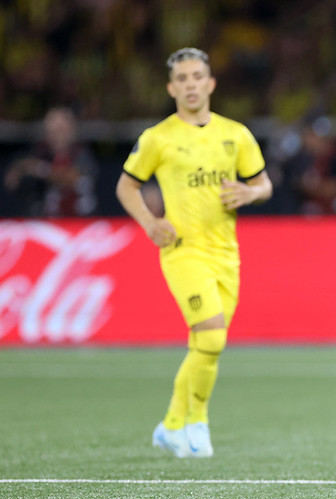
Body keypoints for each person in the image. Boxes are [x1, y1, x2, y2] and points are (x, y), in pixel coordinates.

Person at [116, 47, 273, 458]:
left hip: (226, 254)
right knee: (212, 337)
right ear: (171, 87)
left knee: (204, 344)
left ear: (210, 83)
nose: (190, 84)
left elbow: (265, 185)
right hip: (182, 251)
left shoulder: (235, 134)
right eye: (181, 78)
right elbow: (125, 186)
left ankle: (170, 426)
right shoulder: (157, 138)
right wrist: (151, 223)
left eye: (197, 76)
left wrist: (250, 192)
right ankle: (197, 422)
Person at [4, 107, 98, 217]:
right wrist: (18, 169)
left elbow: (72, 177)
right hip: (50, 223)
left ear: (71, 131)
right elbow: (13, 177)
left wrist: (40, 169)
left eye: (60, 130)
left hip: (81, 222)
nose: (56, 136)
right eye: (51, 131)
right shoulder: (41, 153)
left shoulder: (82, 154)